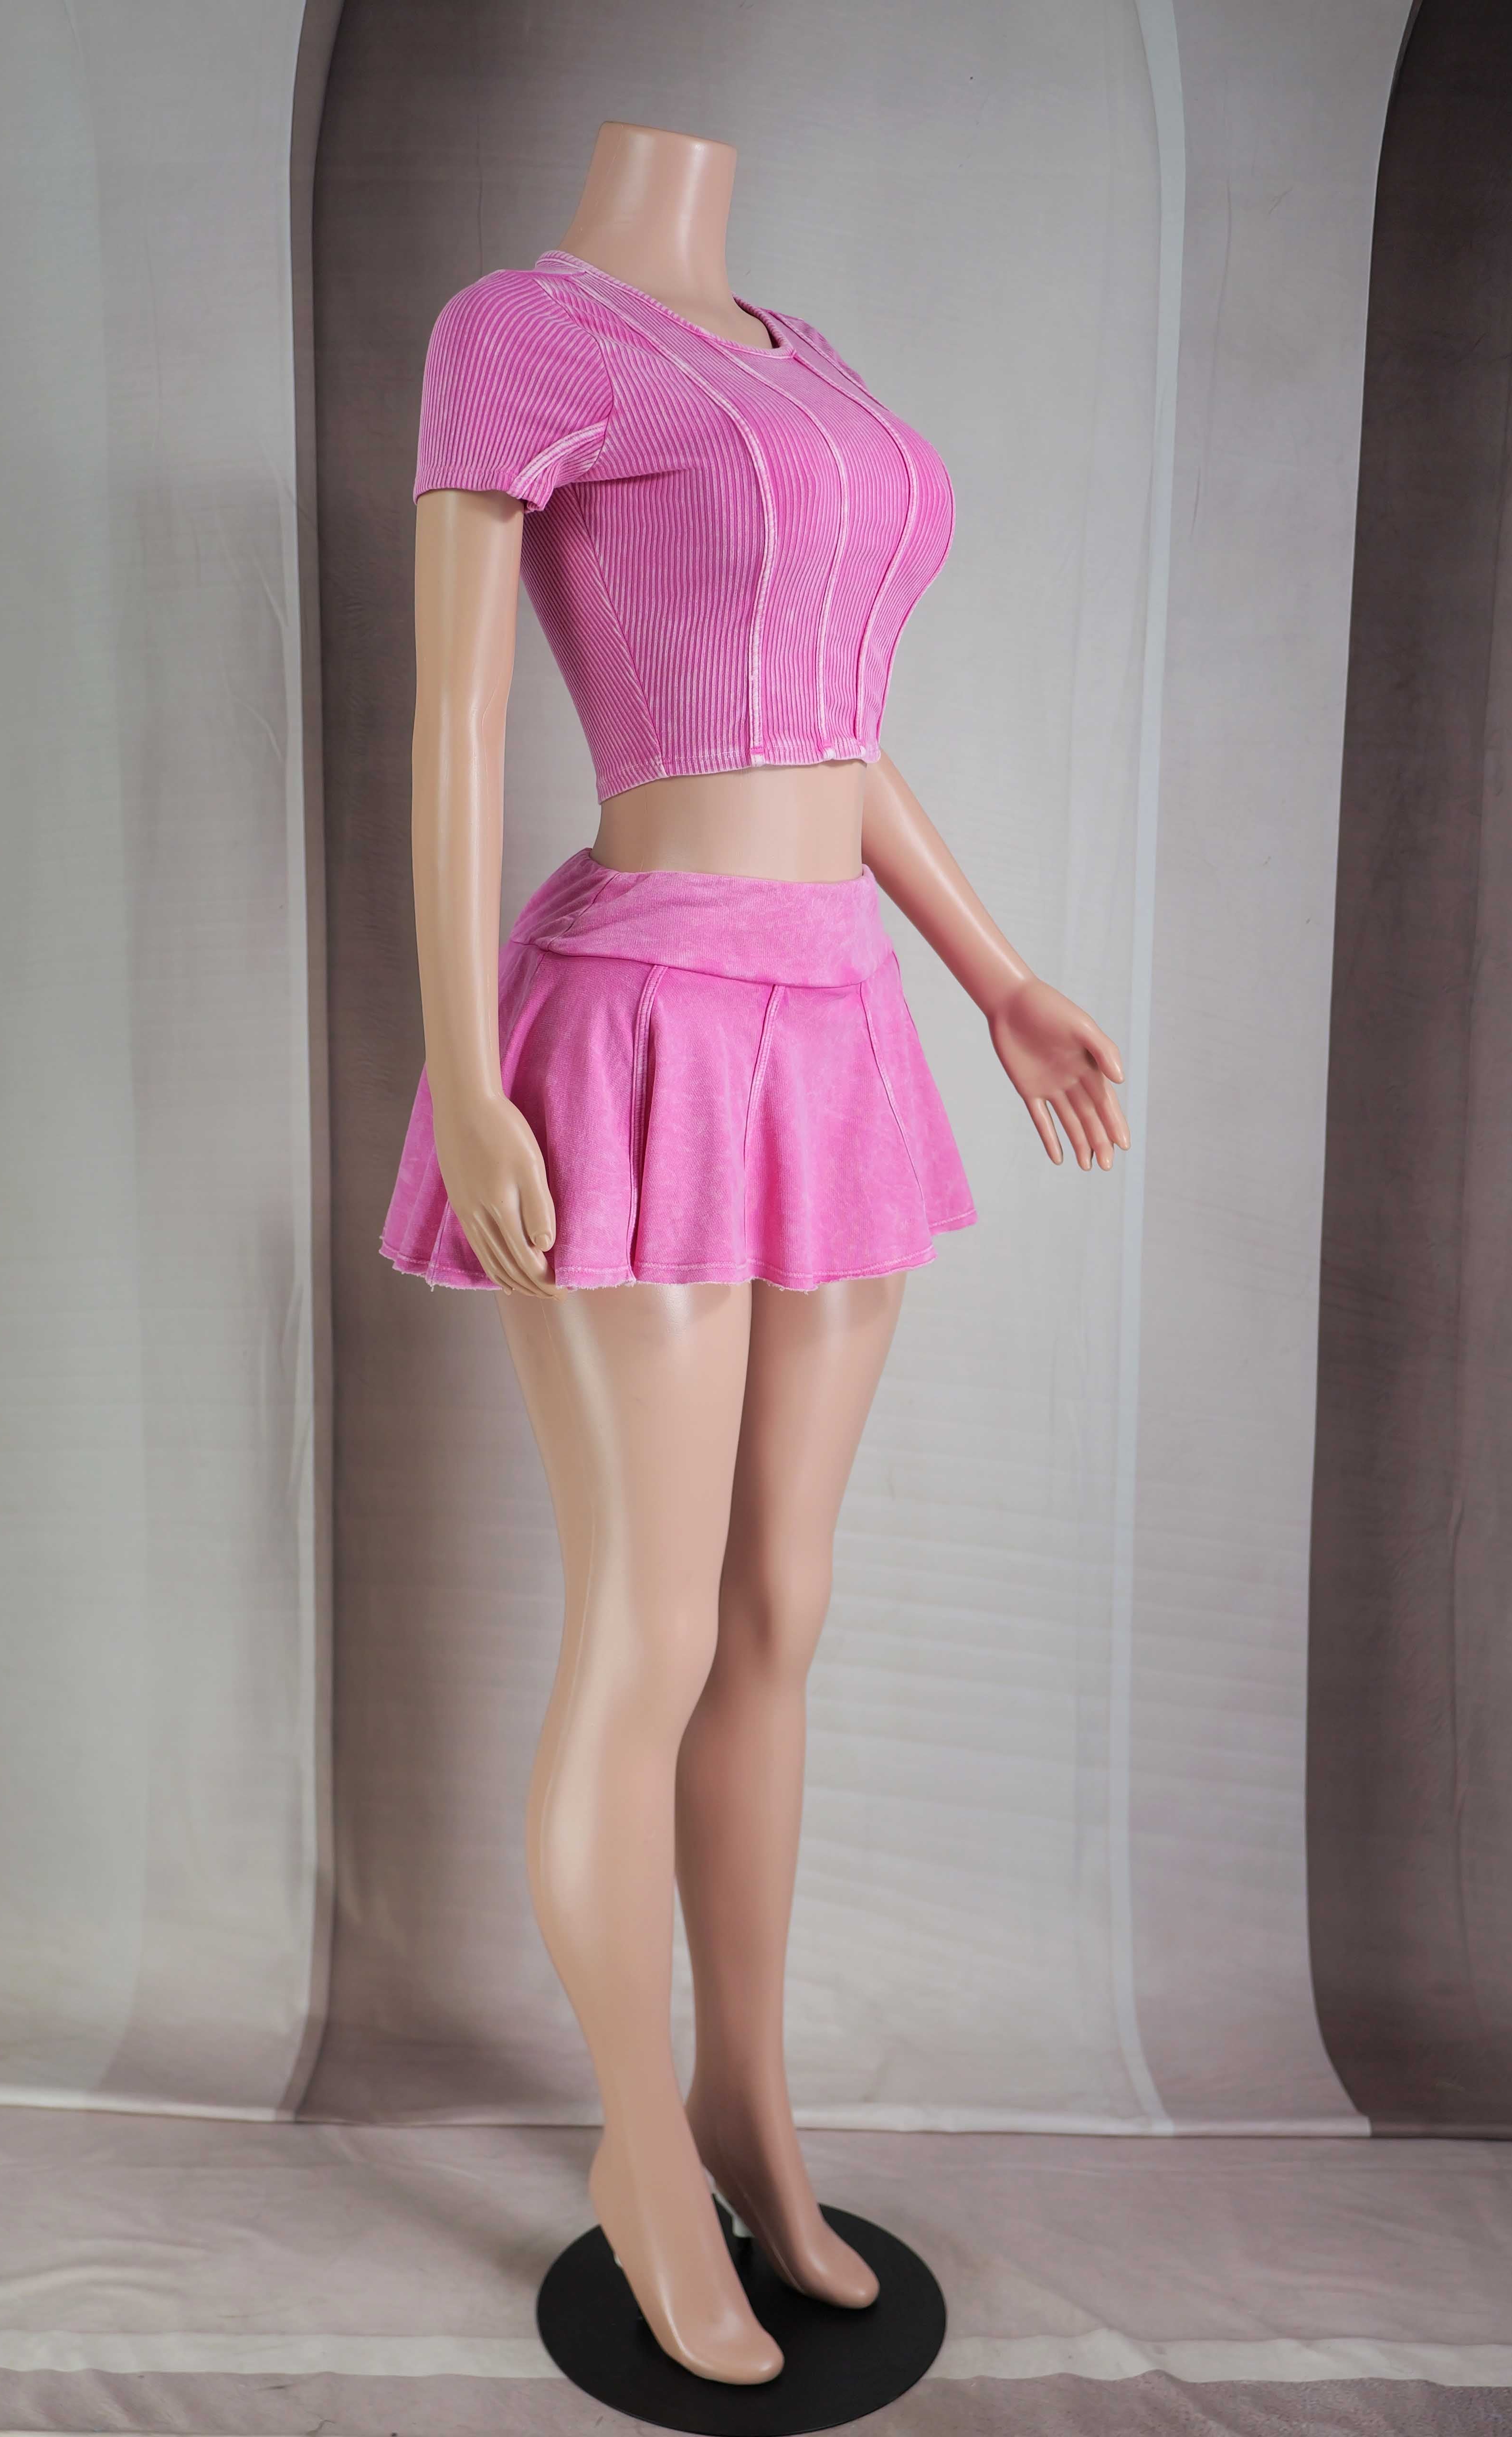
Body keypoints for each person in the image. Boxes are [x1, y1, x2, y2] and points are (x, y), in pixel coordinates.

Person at [381, 120, 1130, 2386]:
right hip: (642, 1018)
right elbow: (453, 720)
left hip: (836, 1021)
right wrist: (466, 1071)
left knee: (780, 1608)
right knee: (650, 1619)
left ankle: (745, 2106)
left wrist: (995, 973)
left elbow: (835, 733)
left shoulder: (807, 358)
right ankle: (637, 2149)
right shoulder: (517, 333)